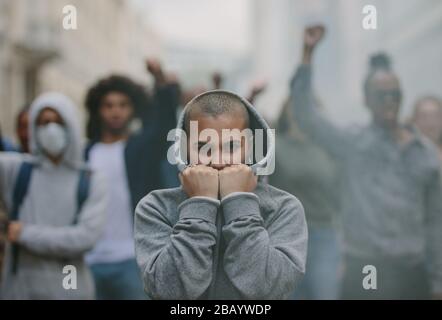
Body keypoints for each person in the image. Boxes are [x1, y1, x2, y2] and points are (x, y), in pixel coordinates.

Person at [291, 25, 442, 299]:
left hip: (413, 271)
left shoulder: (425, 153)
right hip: (366, 270)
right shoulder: (353, 143)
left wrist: (436, 281)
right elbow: (307, 116)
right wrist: (307, 54)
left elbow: (435, 223)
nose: (389, 102)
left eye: (394, 95)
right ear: (366, 100)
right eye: (380, 95)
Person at [134, 90, 307, 299]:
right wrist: (200, 203)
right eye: (202, 146)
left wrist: (239, 202)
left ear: (250, 146)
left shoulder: (283, 208)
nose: (217, 160)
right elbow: (168, 292)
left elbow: (267, 289)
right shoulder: (156, 207)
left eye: (231, 146)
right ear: (183, 147)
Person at [84, 60, 180, 300]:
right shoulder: (86, 153)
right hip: (89, 259)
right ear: (98, 109)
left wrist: (159, 79)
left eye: (122, 105)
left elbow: (164, 126)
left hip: (132, 259)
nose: (115, 111)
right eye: (108, 105)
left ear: (133, 109)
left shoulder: (138, 148)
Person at [0, 92, 107, 299]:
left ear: (72, 126)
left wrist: (25, 233)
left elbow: (84, 238)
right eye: (44, 122)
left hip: (70, 285)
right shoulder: (17, 169)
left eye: (59, 121)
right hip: (20, 288)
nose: (51, 129)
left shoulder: (90, 178)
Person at [270, 99, 341, 299]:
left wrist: (342, 245)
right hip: (286, 238)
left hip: (324, 236)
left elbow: (340, 198)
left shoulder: (327, 149)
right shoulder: (275, 148)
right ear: (287, 112)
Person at [413, 96, 442, 162]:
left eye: (436, 116)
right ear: (415, 121)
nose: (430, 122)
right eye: (424, 116)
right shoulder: (408, 155)